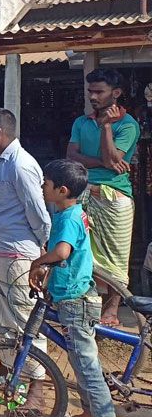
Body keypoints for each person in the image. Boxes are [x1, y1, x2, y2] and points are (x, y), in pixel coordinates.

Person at [0, 109, 52, 407]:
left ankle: (37, 390)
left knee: (23, 321)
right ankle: (4, 376)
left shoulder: (21, 165)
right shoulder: (1, 163)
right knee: (3, 321)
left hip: (17, 255)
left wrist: (43, 250)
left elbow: (39, 214)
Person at [30, 159, 118, 417]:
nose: (42, 186)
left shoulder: (67, 218)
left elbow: (62, 253)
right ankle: (90, 416)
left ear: (62, 190)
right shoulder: (73, 211)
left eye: (46, 183)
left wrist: (38, 262)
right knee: (80, 362)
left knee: (87, 368)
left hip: (75, 300)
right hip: (73, 293)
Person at [67, 68, 138, 327]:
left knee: (116, 256)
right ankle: (89, 304)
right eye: (91, 92)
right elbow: (71, 155)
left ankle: (112, 310)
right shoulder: (81, 122)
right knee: (84, 251)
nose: (93, 97)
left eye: (99, 92)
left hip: (115, 199)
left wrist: (107, 126)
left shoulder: (128, 125)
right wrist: (102, 163)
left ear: (115, 93)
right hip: (85, 193)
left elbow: (113, 159)